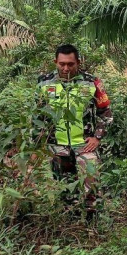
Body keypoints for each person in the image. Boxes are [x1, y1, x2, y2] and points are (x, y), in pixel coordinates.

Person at [37, 44, 113, 217]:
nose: (66, 68)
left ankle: (91, 221)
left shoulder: (91, 82)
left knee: (92, 182)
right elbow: (37, 115)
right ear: (55, 62)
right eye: (61, 64)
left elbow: (106, 113)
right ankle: (70, 220)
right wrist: (37, 144)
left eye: (70, 64)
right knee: (64, 186)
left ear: (78, 62)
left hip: (84, 145)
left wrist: (97, 137)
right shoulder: (44, 82)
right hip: (57, 145)